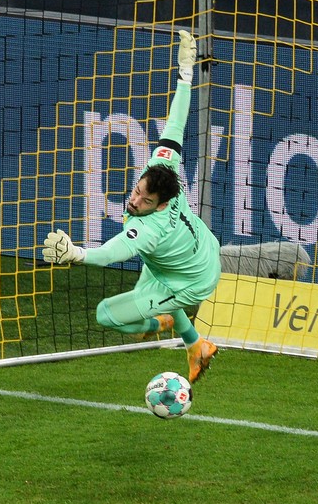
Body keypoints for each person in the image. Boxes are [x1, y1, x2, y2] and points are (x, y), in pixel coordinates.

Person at [40, 30, 220, 383]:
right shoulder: (162, 167)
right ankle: (196, 345)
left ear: (162, 203)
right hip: (194, 252)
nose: (134, 201)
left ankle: (166, 318)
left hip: (193, 280)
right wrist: (185, 75)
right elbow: (177, 123)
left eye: (145, 201)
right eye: (137, 192)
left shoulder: (149, 230)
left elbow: (112, 252)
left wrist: (77, 254)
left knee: (108, 315)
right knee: (149, 287)